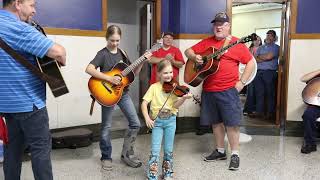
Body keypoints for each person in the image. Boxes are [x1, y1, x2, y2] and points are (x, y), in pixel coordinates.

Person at [0, 0, 67, 180]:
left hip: (5, 107)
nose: (34, 11)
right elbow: (59, 53)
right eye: (31, 5)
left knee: (11, 151)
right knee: (40, 150)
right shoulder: (20, 28)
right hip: (30, 105)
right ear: (17, 4)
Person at [184, 12, 255, 170]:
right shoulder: (206, 43)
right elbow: (187, 51)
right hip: (209, 89)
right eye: (216, 24)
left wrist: (242, 82)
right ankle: (220, 150)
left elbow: (250, 62)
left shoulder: (236, 43)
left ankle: (235, 154)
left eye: (222, 24)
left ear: (228, 26)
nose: (218, 27)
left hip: (228, 90)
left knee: (232, 123)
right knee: (216, 122)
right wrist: (195, 57)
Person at [85, 25, 152, 170]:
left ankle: (127, 154)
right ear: (106, 38)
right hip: (108, 94)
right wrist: (109, 79)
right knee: (106, 127)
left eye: (117, 40)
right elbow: (89, 69)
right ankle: (106, 157)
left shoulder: (123, 53)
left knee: (135, 123)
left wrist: (143, 61)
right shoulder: (102, 54)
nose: (114, 43)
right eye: (112, 40)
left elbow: (131, 74)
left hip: (123, 93)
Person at [141, 59, 192, 180]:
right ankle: (152, 174)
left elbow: (175, 106)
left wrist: (184, 98)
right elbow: (144, 104)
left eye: (170, 72)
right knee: (155, 149)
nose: (169, 75)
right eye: (165, 73)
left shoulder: (175, 88)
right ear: (158, 74)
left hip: (171, 121)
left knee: (168, 149)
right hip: (157, 122)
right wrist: (147, 118)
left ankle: (167, 173)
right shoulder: (154, 87)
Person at [252, 30, 280, 119]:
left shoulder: (276, 47)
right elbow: (255, 59)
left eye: (271, 35)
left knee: (269, 93)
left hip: (269, 73)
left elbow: (270, 56)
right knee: (259, 93)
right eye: (267, 35)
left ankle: (269, 113)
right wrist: (264, 57)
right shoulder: (261, 47)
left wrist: (262, 57)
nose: (268, 37)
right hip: (258, 72)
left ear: (274, 38)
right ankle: (259, 112)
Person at [300, 69, 320, 154]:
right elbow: (303, 79)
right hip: (316, 105)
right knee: (308, 115)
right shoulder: (317, 77)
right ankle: (310, 144)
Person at [243, 35, 262, 116]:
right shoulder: (249, 49)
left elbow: (258, 59)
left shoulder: (262, 48)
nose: (257, 41)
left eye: (258, 40)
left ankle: (255, 109)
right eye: (255, 40)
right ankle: (247, 109)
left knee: (257, 92)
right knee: (250, 92)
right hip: (250, 72)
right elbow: (248, 60)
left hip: (259, 72)